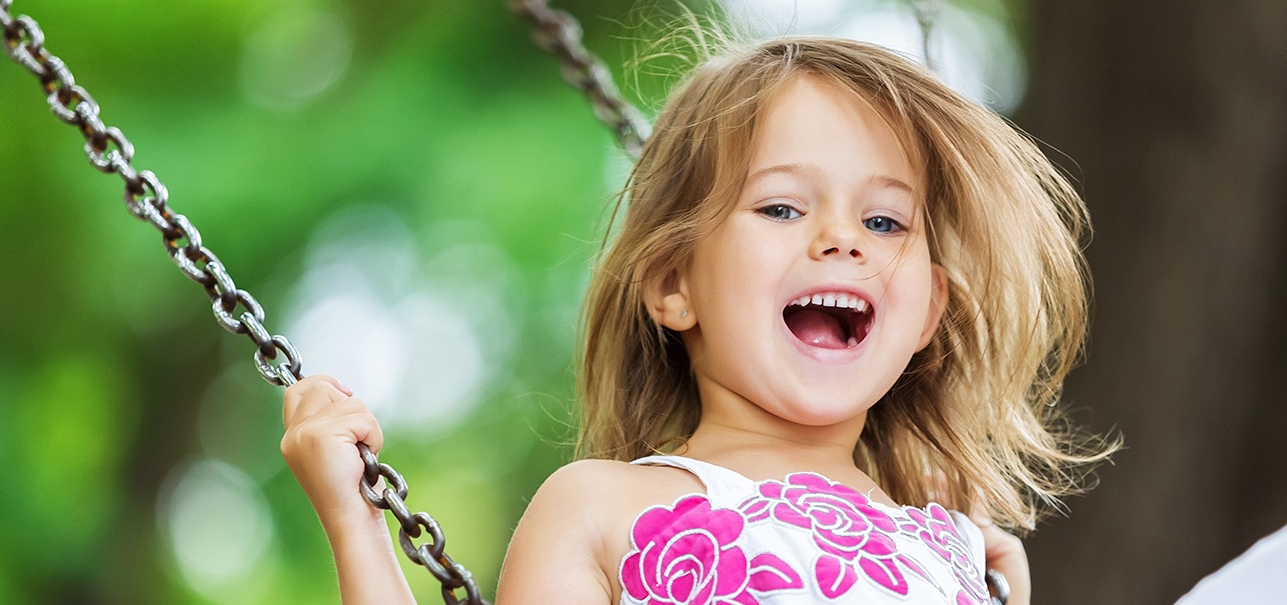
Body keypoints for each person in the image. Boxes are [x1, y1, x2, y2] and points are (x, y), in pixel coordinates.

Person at [280, 35, 1116, 605]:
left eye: (886, 221)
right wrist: (354, 519)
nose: (841, 240)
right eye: (783, 207)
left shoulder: (955, 549)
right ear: (673, 281)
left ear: (929, 310)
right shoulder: (603, 508)